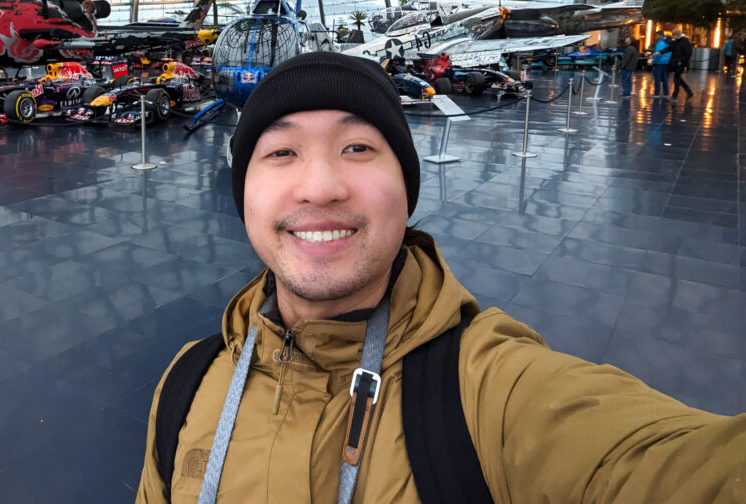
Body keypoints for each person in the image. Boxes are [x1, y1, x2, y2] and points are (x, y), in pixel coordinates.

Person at [135, 52, 745, 504]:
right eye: (280, 153)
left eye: (357, 148)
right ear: (243, 194)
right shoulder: (186, 383)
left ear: (406, 191)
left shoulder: (494, 392)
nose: (320, 187)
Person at [669, 28, 694, 100]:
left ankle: (674, 96)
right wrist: (661, 52)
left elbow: (688, 54)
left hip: (681, 63)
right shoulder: (679, 41)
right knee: (678, 79)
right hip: (678, 63)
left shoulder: (684, 42)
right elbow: (670, 48)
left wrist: (683, 62)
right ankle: (689, 92)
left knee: (676, 79)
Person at [649, 32, 672, 97]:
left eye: (656, 35)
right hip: (666, 63)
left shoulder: (660, 43)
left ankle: (656, 93)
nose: (655, 37)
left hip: (658, 63)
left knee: (657, 79)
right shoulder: (668, 43)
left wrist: (653, 61)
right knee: (665, 79)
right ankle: (666, 93)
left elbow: (658, 54)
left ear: (660, 35)